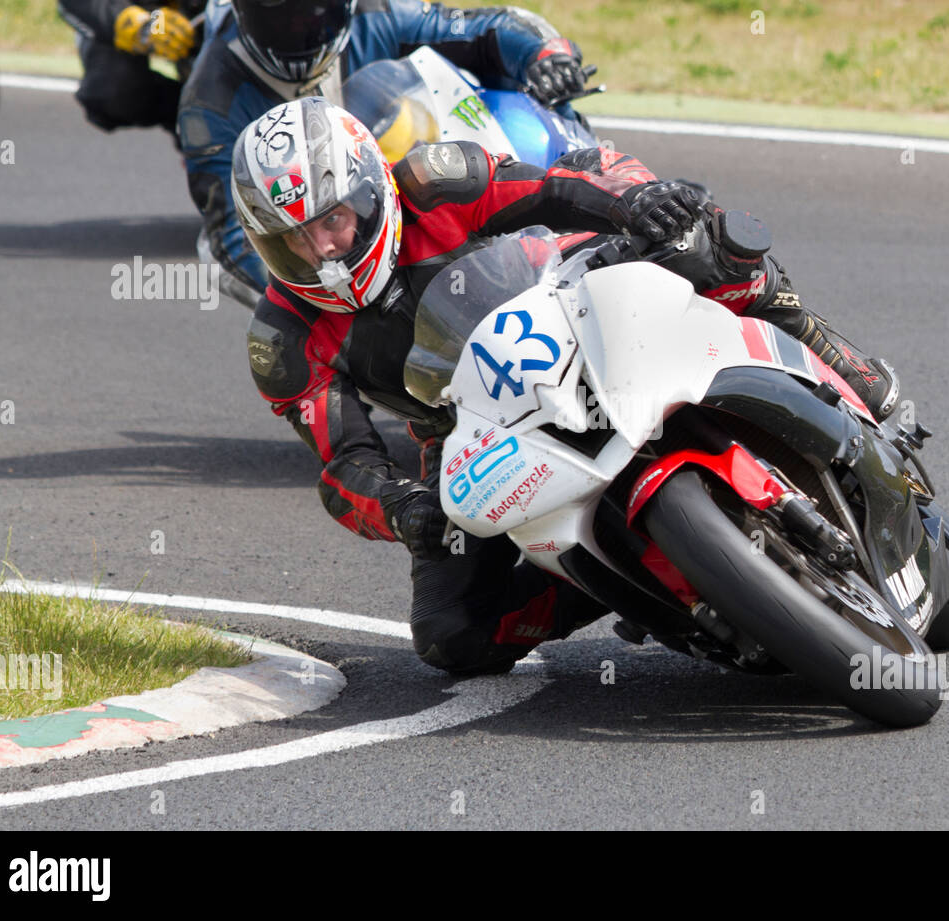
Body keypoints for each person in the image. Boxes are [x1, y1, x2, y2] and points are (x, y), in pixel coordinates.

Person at [231, 97, 899, 675]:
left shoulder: (436, 182)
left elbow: (550, 189)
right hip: (462, 424)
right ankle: (600, 578)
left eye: (333, 221)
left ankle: (835, 359)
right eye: (293, 241)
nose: (323, 252)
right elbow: (345, 463)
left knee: (709, 245)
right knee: (453, 634)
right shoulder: (284, 338)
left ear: (372, 190)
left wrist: (634, 203)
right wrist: (402, 508)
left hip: (564, 299)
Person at [180, 0, 591, 296]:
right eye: (281, 18)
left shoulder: (378, 15)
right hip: (327, 244)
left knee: (520, 92)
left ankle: (582, 192)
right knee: (218, 258)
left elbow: (489, 27)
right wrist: (312, 285)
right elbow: (232, 234)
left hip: (399, 182)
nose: (300, 30)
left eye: (315, 12)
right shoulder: (209, 103)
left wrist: (548, 57)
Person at [58, 0, 204, 134]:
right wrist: (141, 26)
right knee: (114, 89)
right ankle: (185, 115)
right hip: (145, 12)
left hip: (208, 11)